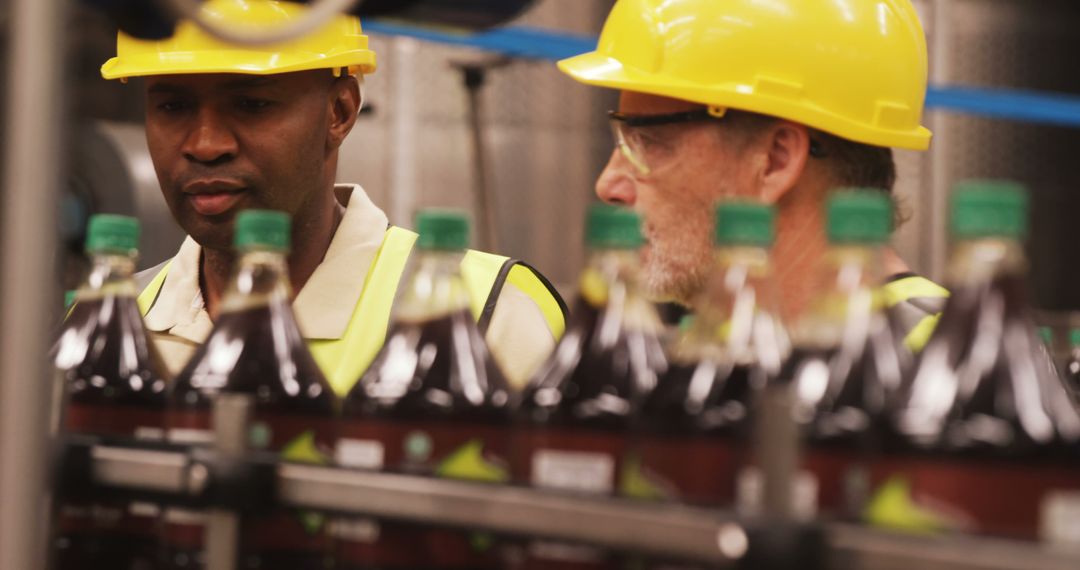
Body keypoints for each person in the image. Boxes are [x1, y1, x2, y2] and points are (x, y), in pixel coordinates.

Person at [99, 0, 566, 392]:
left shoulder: (488, 318)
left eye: (252, 104)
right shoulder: (107, 325)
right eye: (172, 106)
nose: (205, 144)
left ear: (339, 111)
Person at [558, 0, 948, 351]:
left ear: (776, 160)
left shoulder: (942, 370)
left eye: (649, 141)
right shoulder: (707, 354)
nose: (608, 184)